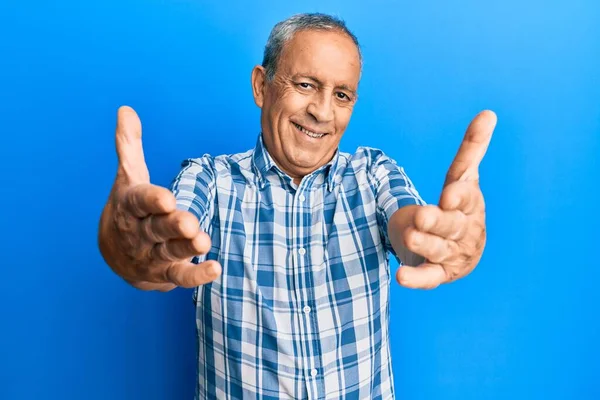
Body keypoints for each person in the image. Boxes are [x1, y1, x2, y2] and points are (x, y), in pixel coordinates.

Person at [98, 12, 495, 400]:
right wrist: (128, 248)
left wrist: (440, 243)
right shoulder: (210, 180)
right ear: (261, 86)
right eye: (305, 85)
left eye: (342, 95)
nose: (322, 112)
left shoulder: (373, 174)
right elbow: (163, 240)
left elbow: (411, 231)